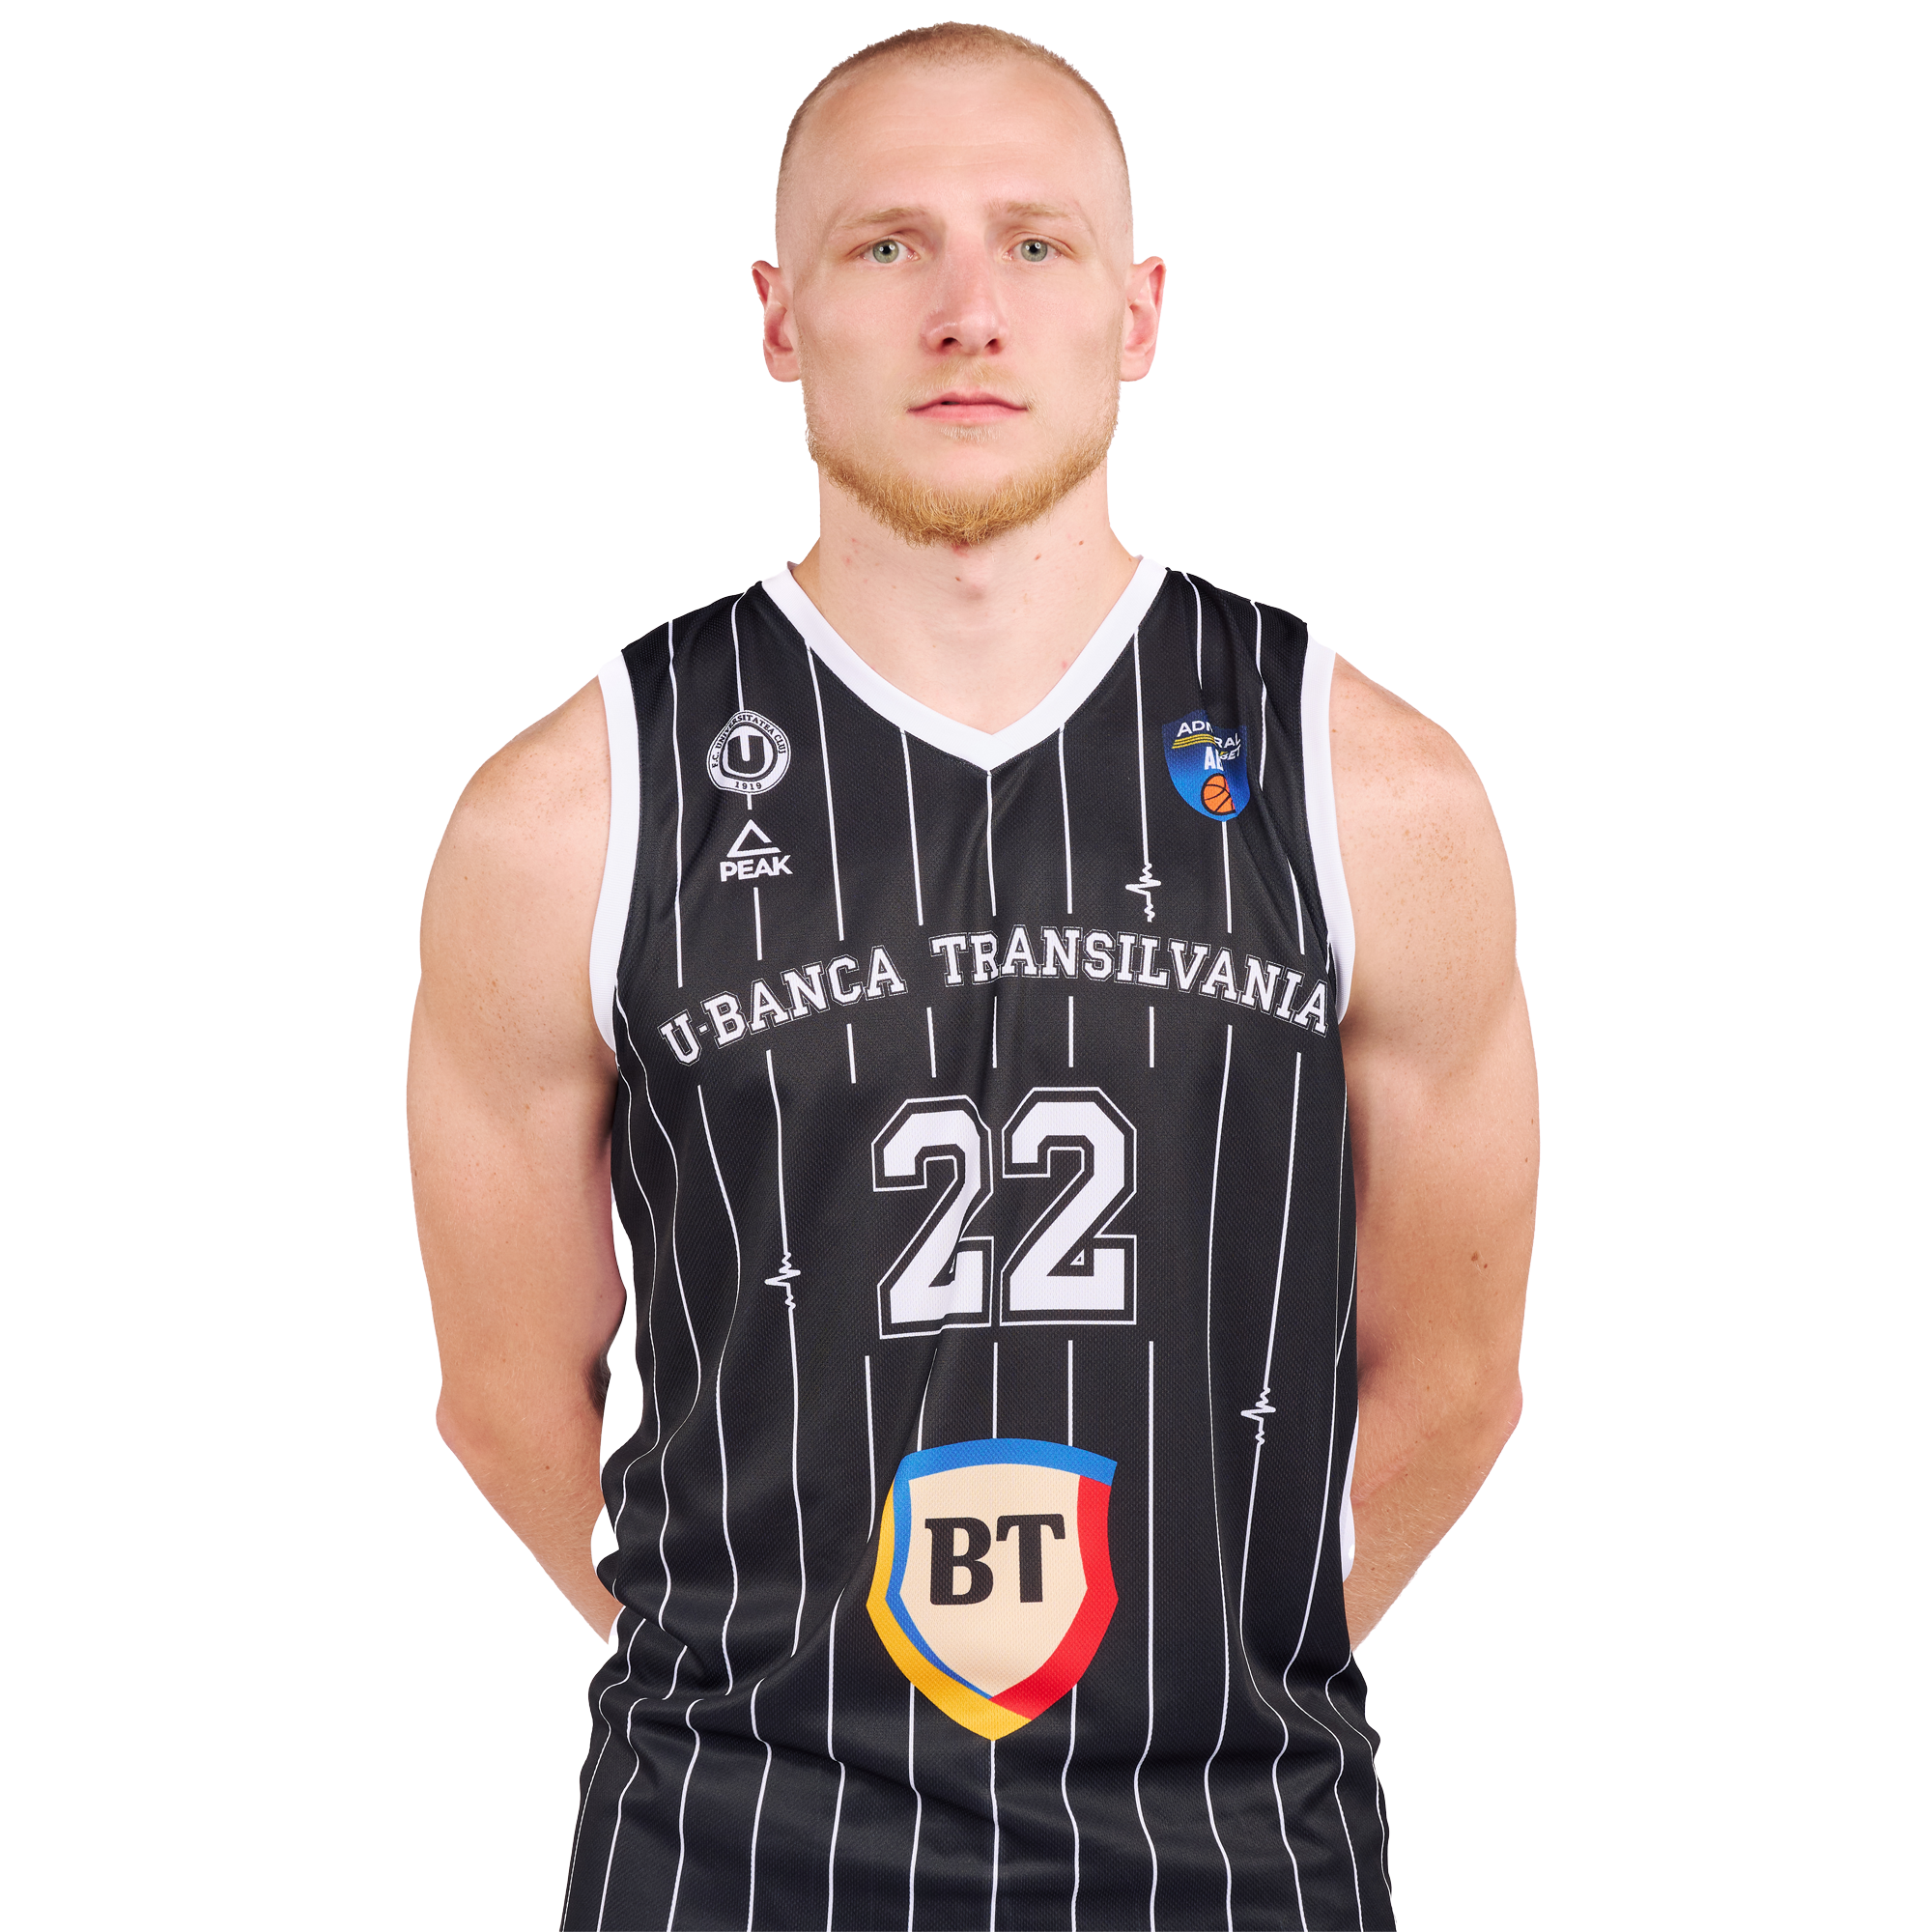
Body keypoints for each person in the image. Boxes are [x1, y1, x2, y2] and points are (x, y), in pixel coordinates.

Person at [408, 22, 1536, 1930]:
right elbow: (507, 1399)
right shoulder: (569, 815)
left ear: (1136, 310)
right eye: (886, 245)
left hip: (1232, 1856)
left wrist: (1202, 1677)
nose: (967, 311)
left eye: (1034, 242)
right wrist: (772, 1698)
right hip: (731, 1858)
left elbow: (1458, 1379)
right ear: (779, 317)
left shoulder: (1367, 786)